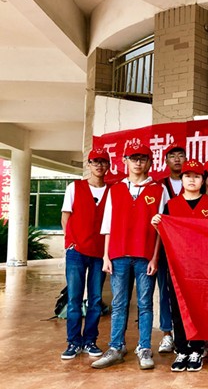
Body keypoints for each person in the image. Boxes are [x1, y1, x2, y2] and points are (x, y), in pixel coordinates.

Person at [91, 143, 169, 370]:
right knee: (119, 303)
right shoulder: (115, 189)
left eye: (142, 158)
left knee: (145, 304)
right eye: (133, 158)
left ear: (150, 162)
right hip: (118, 254)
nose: (138, 163)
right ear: (125, 161)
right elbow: (107, 224)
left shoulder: (158, 189)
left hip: (145, 255)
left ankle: (144, 348)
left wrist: (155, 257)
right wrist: (106, 256)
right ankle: (116, 347)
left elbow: (161, 228)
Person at [152, 159, 208, 372]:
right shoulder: (171, 205)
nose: (192, 180)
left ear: (202, 180)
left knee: (200, 308)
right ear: (181, 179)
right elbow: (165, 234)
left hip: (203, 267)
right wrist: (158, 225)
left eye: (197, 176)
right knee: (178, 307)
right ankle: (181, 349)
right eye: (188, 176)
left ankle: (197, 349)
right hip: (176, 266)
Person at [59, 148, 111, 360]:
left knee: (95, 299)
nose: (99, 165)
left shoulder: (112, 191)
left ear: (108, 166)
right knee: (74, 298)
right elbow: (65, 216)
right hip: (77, 251)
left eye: (103, 162)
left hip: (99, 252)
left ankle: (90, 340)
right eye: (94, 162)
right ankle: (73, 342)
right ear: (88, 165)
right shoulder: (75, 187)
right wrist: (70, 242)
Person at [155, 142, 187, 354]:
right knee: (165, 290)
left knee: (188, 291)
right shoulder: (159, 186)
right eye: (172, 156)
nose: (177, 159)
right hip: (165, 246)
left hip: (188, 250)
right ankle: (167, 334)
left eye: (180, 155)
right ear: (165, 160)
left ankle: (188, 332)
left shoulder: (193, 183)